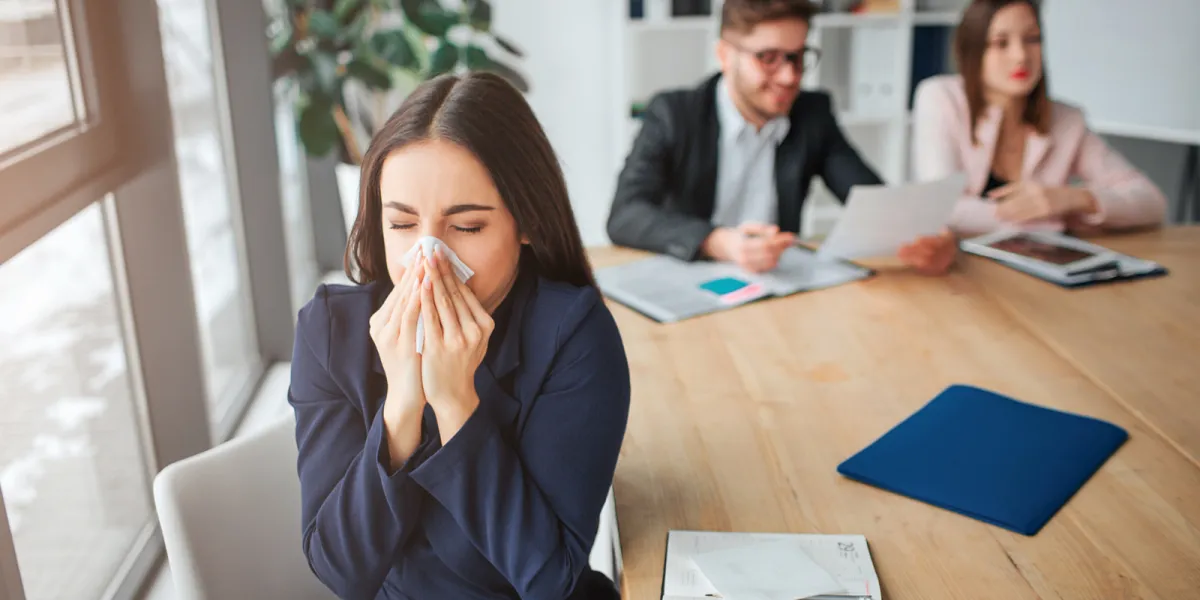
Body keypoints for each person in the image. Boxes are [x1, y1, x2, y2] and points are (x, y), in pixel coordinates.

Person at [288, 72, 630, 600]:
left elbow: (548, 581)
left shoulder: (574, 335)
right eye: (402, 225)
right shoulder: (329, 331)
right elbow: (341, 571)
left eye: (466, 228)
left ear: (528, 222)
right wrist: (402, 407)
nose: (428, 260)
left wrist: (455, 403)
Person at [607, 0, 957, 275]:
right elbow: (625, 215)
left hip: (775, 285)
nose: (790, 77)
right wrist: (719, 242)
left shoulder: (812, 114)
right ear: (725, 56)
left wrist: (923, 235)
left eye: (797, 56)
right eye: (768, 58)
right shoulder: (674, 113)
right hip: (691, 277)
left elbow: (869, 200)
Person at [911, 0, 1167, 237]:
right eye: (1001, 43)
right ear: (973, 53)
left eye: (1032, 39)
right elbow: (941, 207)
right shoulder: (940, 97)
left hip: (1036, 263)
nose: (1021, 56)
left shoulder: (1067, 120)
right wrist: (1056, 222)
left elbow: (1152, 202)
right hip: (961, 266)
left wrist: (1074, 199)